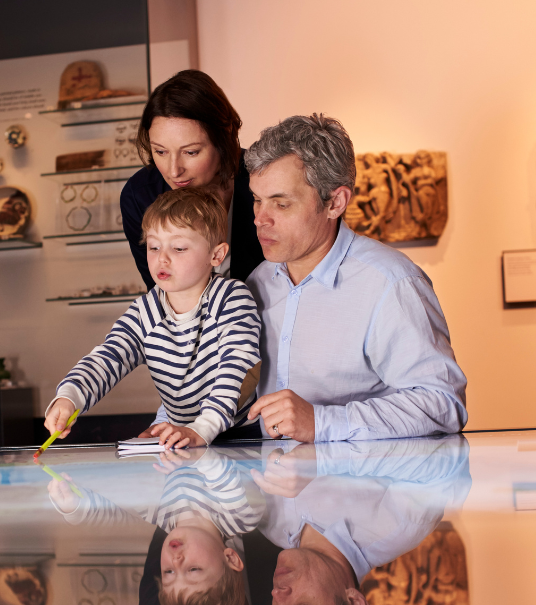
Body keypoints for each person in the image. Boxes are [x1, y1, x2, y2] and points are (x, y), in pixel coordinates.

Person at [243, 114, 468, 442]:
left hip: (367, 488)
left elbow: (444, 403)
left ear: (335, 202)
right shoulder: (255, 285)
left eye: (281, 203)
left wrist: (322, 422)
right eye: (257, 200)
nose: (260, 220)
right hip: (271, 486)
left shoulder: (391, 283)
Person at [45, 187, 261, 448]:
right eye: (154, 246)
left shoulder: (231, 298)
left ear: (216, 255)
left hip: (240, 436)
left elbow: (238, 365)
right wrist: (69, 397)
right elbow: (109, 357)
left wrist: (203, 428)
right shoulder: (144, 311)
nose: (162, 258)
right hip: (181, 437)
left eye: (179, 248)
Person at [255, 436, 471, 605]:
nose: (277, 593)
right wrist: (321, 451)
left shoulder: (265, 522)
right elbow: (441, 437)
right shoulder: (405, 521)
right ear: (354, 603)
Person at [47, 446, 260, 605]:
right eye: (193, 570)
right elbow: (228, 474)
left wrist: (74, 508)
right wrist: (197, 453)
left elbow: (119, 509)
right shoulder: (241, 518)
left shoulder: (164, 518)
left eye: (168, 573)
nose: (175, 561)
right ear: (231, 557)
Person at [121, 69, 264, 290]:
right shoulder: (139, 196)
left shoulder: (262, 178)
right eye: (160, 152)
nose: (173, 171)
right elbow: (161, 290)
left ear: (224, 134)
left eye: (191, 152)